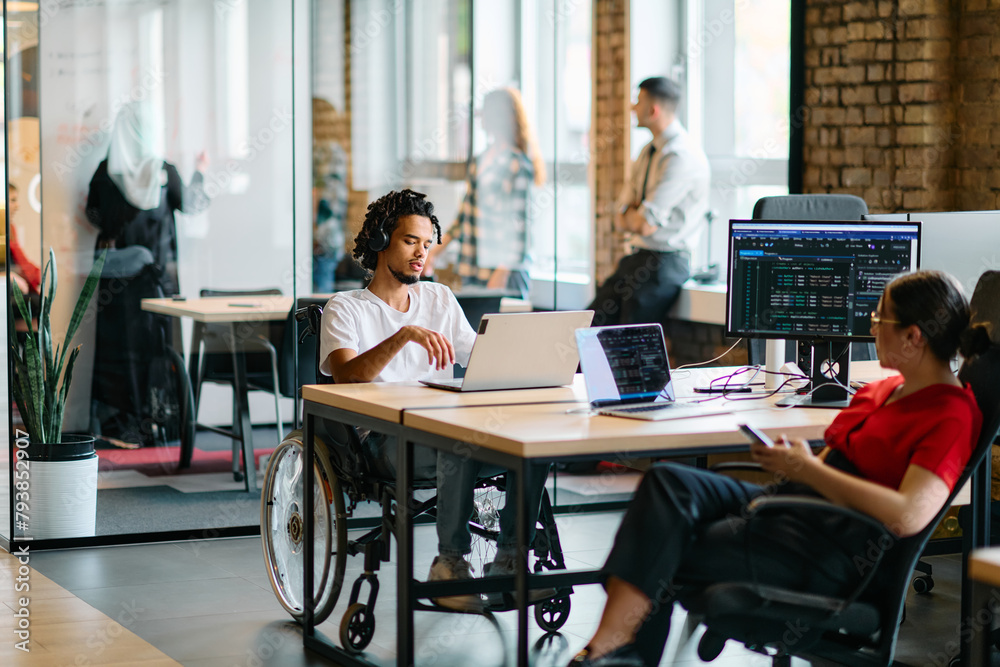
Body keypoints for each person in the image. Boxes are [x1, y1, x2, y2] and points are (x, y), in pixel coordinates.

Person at [569, 270, 984, 667]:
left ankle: (609, 650)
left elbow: (907, 514)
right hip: (799, 508)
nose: (872, 326)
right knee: (668, 482)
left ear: (913, 336)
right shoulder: (884, 389)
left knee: (663, 541)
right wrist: (799, 464)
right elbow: (834, 460)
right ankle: (616, 649)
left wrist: (808, 471)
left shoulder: (950, 415)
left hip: (828, 547)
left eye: (880, 318)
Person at [320, 188, 551, 612]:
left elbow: (479, 356)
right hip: (383, 442)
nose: (421, 254)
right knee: (455, 443)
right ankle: (450, 565)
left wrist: (530, 354)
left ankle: (508, 563)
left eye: (427, 244)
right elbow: (346, 376)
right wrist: (404, 335)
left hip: (445, 430)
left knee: (532, 445)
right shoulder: (345, 307)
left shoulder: (439, 297)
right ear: (379, 241)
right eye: (411, 241)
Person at [588, 77, 710, 327]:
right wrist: (630, 215)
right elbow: (621, 213)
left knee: (630, 342)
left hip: (664, 262)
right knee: (588, 326)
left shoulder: (680, 156)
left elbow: (644, 224)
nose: (632, 108)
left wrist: (633, 214)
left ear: (653, 110)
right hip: (637, 257)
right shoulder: (648, 151)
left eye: (638, 101)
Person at [424, 87, 545, 299]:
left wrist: (502, 271)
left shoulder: (517, 164)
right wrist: (433, 253)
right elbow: (464, 216)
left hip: (503, 273)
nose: (482, 117)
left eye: (487, 111)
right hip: (473, 268)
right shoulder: (480, 161)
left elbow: (520, 227)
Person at [85, 101, 210, 296]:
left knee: (120, 325)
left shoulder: (105, 172)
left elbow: (92, 214)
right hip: (157, 271)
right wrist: (199, 172)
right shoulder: (163, 171)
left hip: (116, 273)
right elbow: (190, 204)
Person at [311, 97, 349, 293]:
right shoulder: (336, 151)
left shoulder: (324, 152)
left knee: (315, 305)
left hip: (321, 239)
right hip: (331, 239)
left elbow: (319, 196)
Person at [6, 183, 41, 298]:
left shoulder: (10, 229)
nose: (17, 206)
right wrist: (8, 276)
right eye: (13, 200)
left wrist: (39, 276)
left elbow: (22, 262)